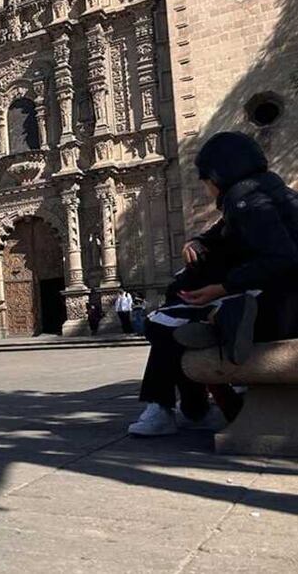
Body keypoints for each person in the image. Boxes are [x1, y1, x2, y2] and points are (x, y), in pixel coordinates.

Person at [128, 132, 298, 437]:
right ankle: (194, 408)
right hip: (279, 302)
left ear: (219, 175)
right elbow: (226, 234)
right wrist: (198, 241)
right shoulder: (272, 191)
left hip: (280, 310)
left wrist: (224, 287)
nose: (205, 189)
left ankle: (165, 408)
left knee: (163, 324)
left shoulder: (244, 201)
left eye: (205, 180)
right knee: (179, 315)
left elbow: (282, 257)